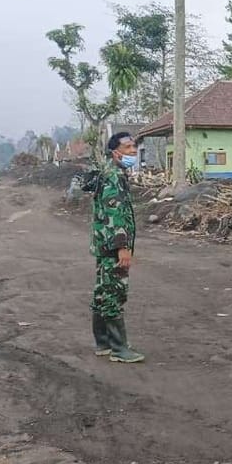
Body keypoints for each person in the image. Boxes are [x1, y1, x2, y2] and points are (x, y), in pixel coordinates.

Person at [90, 132, 145, 363]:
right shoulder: (114, 177)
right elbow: (115, 213)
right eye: (128, 147)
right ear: (116, 152)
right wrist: (122, 247)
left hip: (104, 244)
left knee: (103, 292)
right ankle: (119, 349)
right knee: (114, 293)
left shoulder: (111, 173)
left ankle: (103, 342)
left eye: (134, 146)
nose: (133, 151)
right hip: (113, 246)